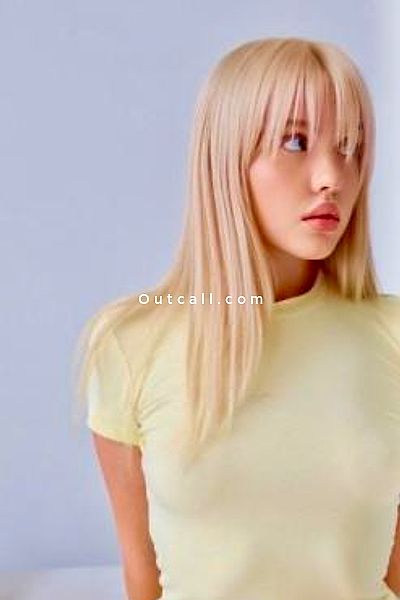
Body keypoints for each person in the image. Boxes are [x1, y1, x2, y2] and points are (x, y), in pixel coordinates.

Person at [72, 36, 400, 600]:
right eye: (295, 141)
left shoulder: (390, 336)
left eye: (349, 147)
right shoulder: (131, 343)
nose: (332, 176)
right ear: (225, 159)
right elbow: (142, 575)